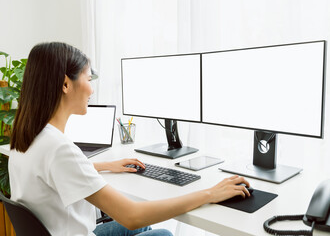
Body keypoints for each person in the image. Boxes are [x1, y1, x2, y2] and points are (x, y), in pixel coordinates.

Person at [8, 42, 251, 236]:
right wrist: (211, 193)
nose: (91, 90)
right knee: (161, 233)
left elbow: (54, 171)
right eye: (88, 80)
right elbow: (132, 214)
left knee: (143, 229)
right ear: (65, 84)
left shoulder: (27, 137)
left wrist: (104, 165)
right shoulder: (58, 148)